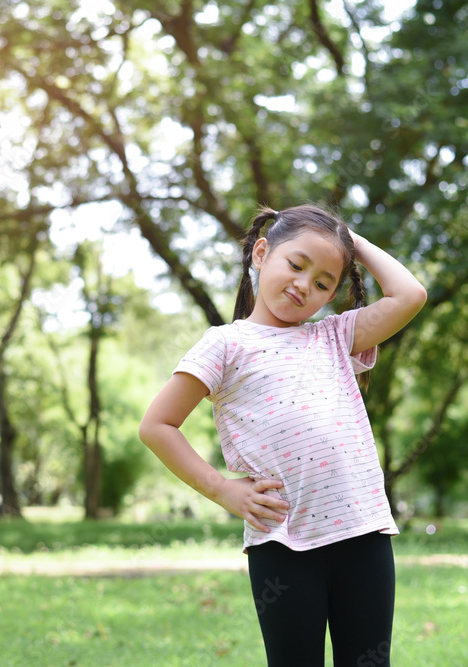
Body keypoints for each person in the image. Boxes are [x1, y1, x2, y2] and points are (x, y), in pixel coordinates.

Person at [138, 204, 428, 666]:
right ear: (260, 253)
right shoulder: (226, 344)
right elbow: (156, 426)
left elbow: (410, 294)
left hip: (364, 536)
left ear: (332, 295)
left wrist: (349, 239)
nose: (302, 286)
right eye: (296, 264)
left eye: (322, 283)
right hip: (283, 543)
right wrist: (222, 490)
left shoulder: (333, 337)